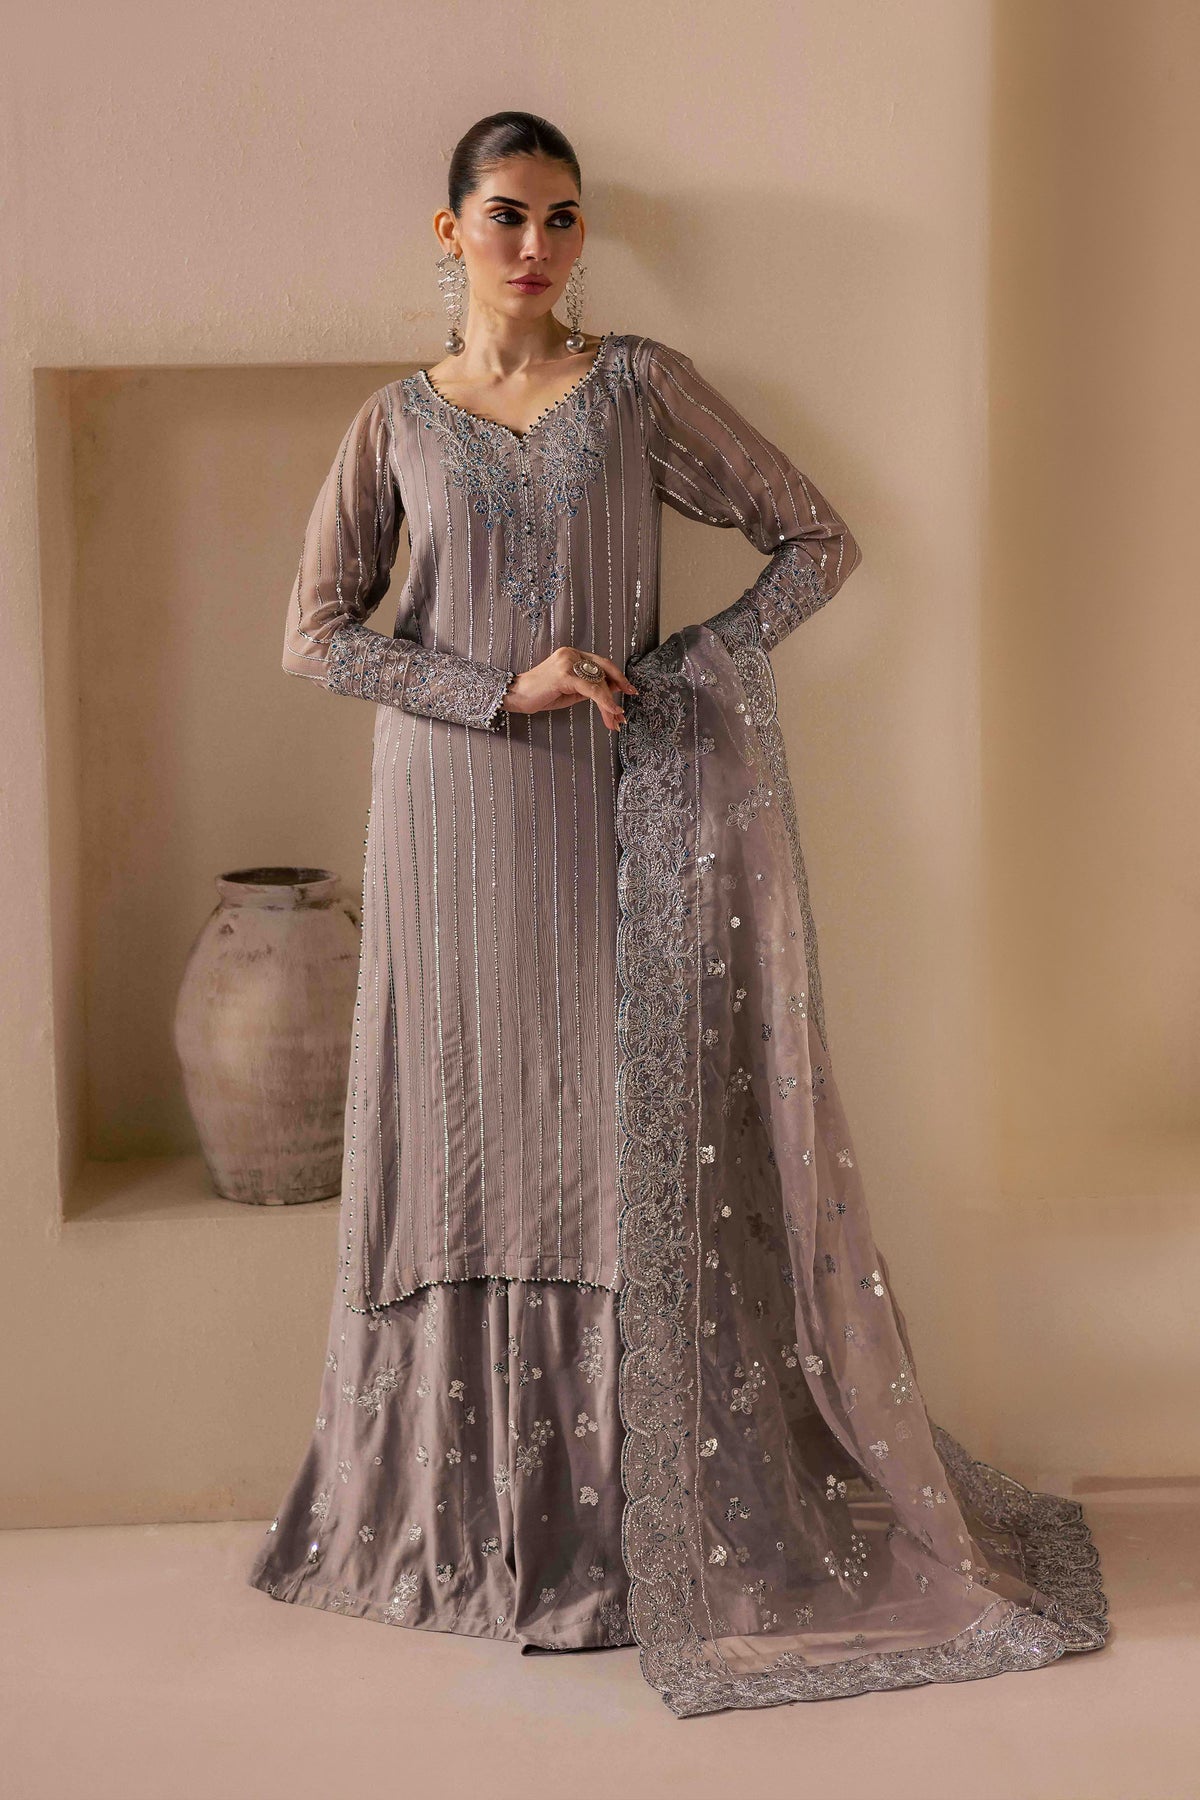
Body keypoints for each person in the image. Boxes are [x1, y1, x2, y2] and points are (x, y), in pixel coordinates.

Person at [247, 110, 1108, 1719]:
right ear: (449, 231)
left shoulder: (640, 388)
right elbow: (316, 635)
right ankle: (453, 1530)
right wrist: (493, 686)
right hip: (444, 827)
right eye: (506, 215)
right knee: (464, 1136)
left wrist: (689, 673)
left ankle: (624, 1537)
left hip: (613, 819)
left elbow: (818, 539)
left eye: (563, 218)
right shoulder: (394, 423)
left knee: (600, 1139)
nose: (536, 246)